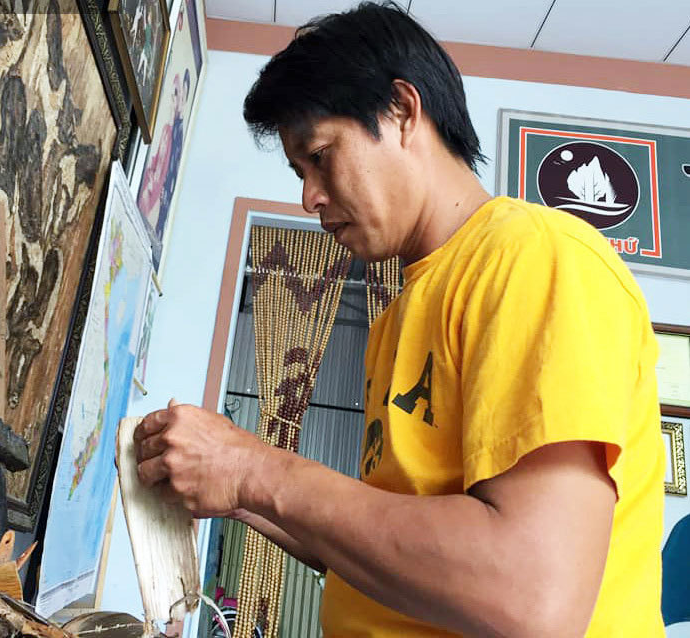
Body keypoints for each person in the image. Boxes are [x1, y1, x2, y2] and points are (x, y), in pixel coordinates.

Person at [133, 2, 665, 636]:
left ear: (402, 111)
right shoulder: (395, 320)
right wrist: (230, 483)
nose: (309, 198)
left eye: (320, 156)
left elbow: (532, 599)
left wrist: (252, 469)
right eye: (300, 172)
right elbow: (387, 545)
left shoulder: (536, 258)